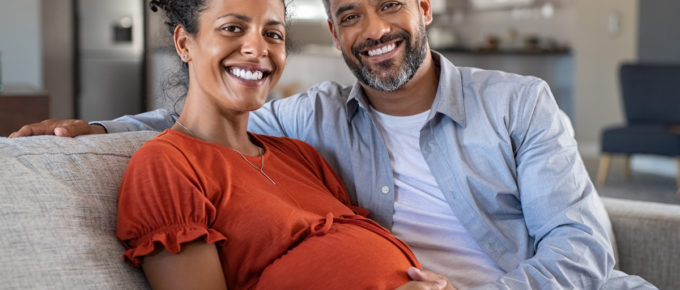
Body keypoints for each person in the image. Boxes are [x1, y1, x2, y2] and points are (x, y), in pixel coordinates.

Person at [10, 0, 656, 288]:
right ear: (337, 31)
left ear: (424, 9)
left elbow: (580, 249)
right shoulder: (313, 118)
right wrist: (100, 130)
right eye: (348, 14)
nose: (374, 29)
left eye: (390, 6)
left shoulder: (518, 102)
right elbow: (207, 124)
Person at [111, 0, 458, 289]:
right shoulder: (166, 165)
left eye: (273, 34)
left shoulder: (299, 154)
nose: (258, 48)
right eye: (233, 28)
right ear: (185, 43)